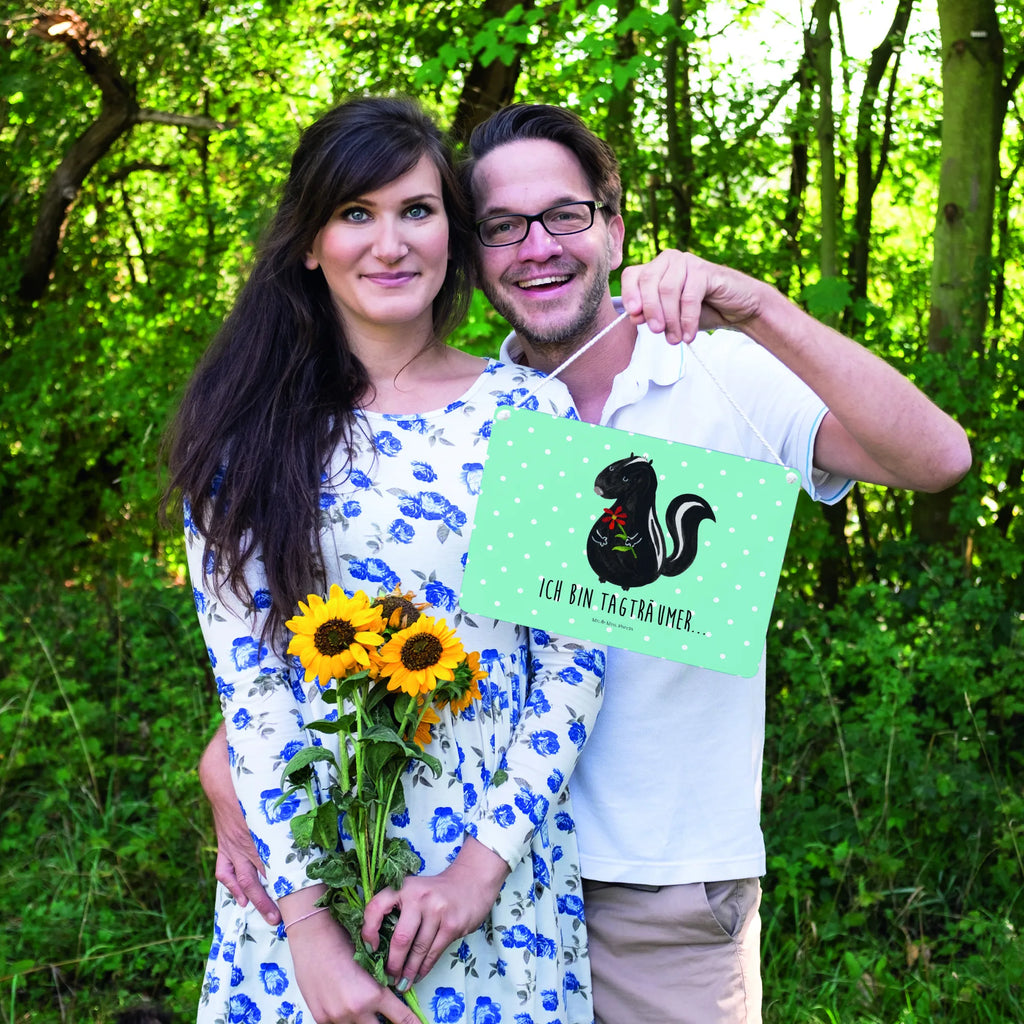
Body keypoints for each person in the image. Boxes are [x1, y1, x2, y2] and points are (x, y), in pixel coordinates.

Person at [202, 102, 972, 1023]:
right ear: (474, 248)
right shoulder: (475, 412)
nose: (537, 247)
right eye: (503, 226)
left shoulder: (707, 374)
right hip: (434, 872)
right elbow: (345, 622)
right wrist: (234, 757)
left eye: (564, 215)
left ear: (614, 227)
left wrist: (758, 306)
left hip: (654, 888)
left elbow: (939, 459)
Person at [164, 96, 610, 1024]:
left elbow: (574, 663)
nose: (391, 243)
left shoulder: (532, 413)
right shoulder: (244, 438)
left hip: (492, 883)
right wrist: (311, 935)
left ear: (453, 230)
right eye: (355, 213)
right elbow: (252, 689)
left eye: (417, 210)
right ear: (309, 242)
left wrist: (477, 873)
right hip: (303, 882)